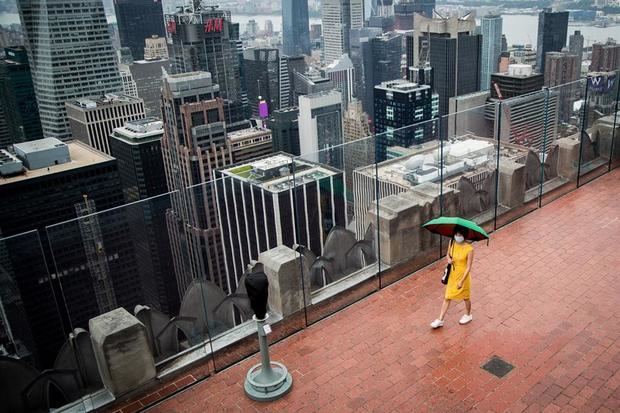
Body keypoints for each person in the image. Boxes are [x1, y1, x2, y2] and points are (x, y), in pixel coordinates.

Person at [431, 225, 474, 328]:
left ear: (464, 235)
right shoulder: (452, 242)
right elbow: (447, 255)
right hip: (452, 275)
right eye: (456, 234)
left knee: (466, 297)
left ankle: (468, 314)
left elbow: (468, 267)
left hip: (463, 276)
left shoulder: (469, 249)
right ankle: (440, 319)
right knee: (447, 297)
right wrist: (448, 260)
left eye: (459, 235)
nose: (457, 236)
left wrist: (462, 281)